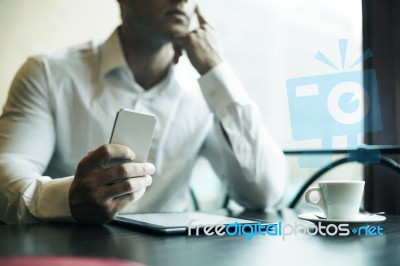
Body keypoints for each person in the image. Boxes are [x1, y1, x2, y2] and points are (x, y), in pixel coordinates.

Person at [0, 0, 286, 225]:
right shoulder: (47, 74)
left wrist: (217, 72)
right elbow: (8, 168)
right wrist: (65, 200)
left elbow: (264, 193)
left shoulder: (207, 92)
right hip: (66, 255)